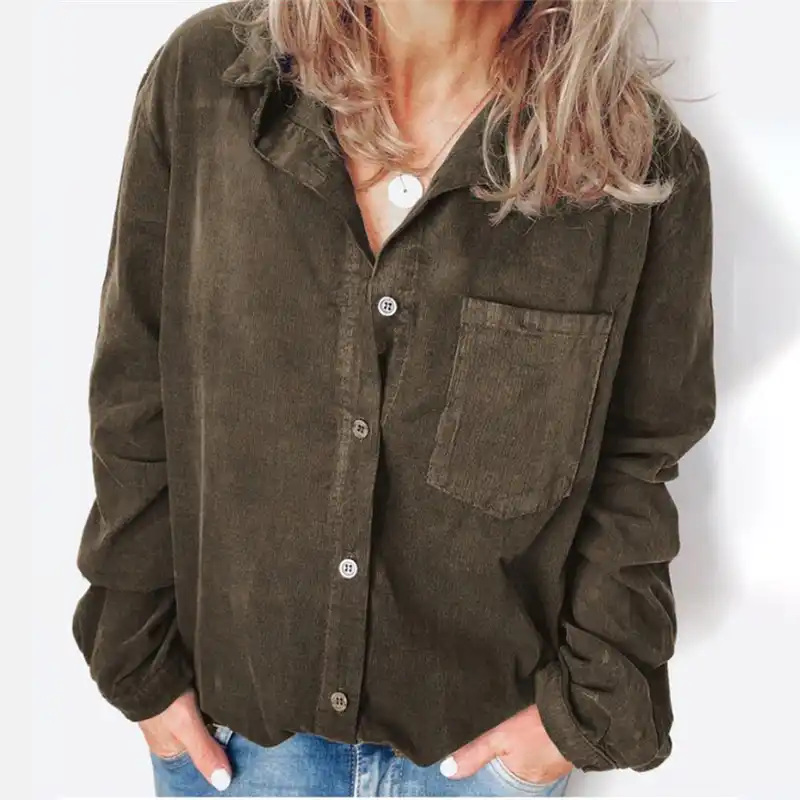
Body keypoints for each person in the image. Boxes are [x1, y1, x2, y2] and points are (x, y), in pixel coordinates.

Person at [71, 0, 715, 796]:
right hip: (233, 742)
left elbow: (636, 457)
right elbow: (135, 384)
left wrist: (580, 712)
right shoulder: (210, 81)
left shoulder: (636, 163)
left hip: (476, 761)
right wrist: (136, 655)